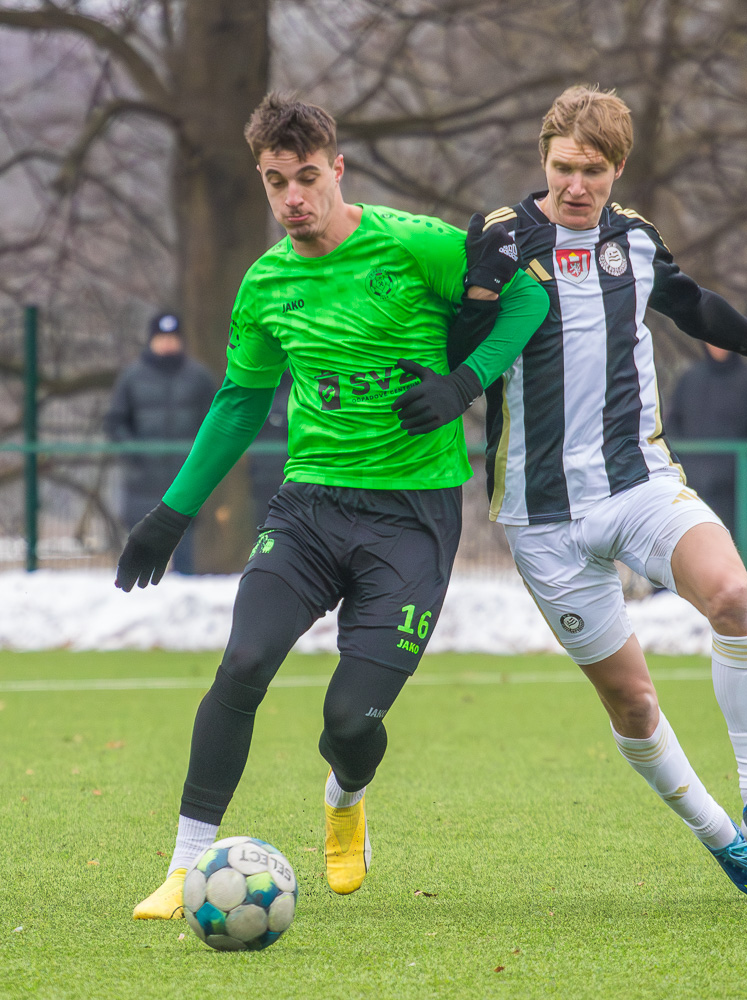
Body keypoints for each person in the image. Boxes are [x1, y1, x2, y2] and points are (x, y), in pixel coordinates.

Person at [117, 93, 549, 918]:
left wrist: (464, 382)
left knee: (349, 722)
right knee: (242, 664)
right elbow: (239, 406)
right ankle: (183, 865)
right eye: (276, 181)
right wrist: (171, 515)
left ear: (337, 168)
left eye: (307, 177)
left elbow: (527, 301)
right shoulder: (265, 284)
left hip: (413, 518)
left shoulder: (415, 244)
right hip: (309, 509)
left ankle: (345, 795)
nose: (293, 198)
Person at [450, 85, 747, 901]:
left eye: (592, 171)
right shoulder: (501, 238)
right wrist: (474, 304)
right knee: (631, 701)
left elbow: (690, 303)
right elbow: (458, 350)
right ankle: (725, 840)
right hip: (540, 516)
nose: (575, 186)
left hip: (638, 483)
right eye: (563, 168)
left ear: (617, 169)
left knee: (733, 596)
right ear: (543, 159)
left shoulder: (632, 237)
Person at [104, 313, 217, 574]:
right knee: (138, 558)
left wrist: (199, 459)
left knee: (186, 557)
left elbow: (214, 422)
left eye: (172, 337)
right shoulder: (131, 377)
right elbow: (115, 423)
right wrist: (134, 454)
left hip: (187, 480)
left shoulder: (199, 377)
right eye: (162, 337)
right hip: (142, 483)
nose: (167, 343)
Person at [667, 342, 747, 534]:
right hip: (691, 485)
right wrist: (684, 463)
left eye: (722, 341)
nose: (718, 347)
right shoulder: (690, 379)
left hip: (736, 489)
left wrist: (742, 462)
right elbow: (673, 423)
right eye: (712, 341)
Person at [248, 368, 292, 525]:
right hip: (259, 476)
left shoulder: (294, 387)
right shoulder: (254, 384)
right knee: (262, 522)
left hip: (288, 477)